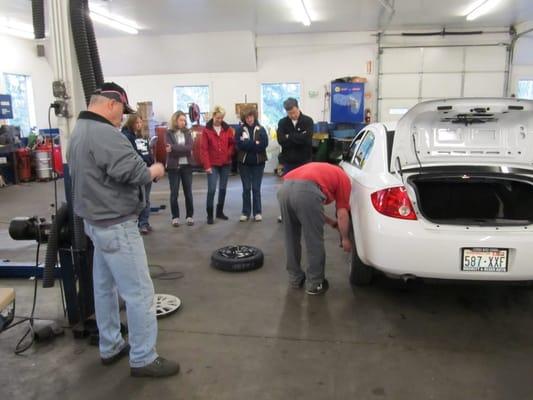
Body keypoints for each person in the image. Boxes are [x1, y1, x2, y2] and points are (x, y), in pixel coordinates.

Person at [67, 82, 179, 378]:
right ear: (110, 105)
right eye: (122, 112)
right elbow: (134, 172)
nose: (122, 118)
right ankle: (143, 357)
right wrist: (155, 170)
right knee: (140, 292)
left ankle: (111, 345)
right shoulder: (105, 134)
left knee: (104, 288)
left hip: (95, 223)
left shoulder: (78, 130)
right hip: (116, 223)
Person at [277, 162, 352, 295]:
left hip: (284, 189)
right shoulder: (344, 178)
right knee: (313, 240)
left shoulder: (322, 169)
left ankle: (295, 279)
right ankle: (315, 283)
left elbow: (309, 209)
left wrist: (331, 223)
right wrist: (345, 239)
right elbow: (342, 212)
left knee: (291, 237)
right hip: (306, 191)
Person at [276, 97, 314, 223]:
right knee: (288, 189)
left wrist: (289, 137)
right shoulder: (282, 123)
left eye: (294, 112)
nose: (292, 115)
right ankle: (286, 213)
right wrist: (298, 137)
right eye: (289, 113)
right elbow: (281, 141)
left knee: (305, 188)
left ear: (298, 108)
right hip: (289, 162)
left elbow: (307, 140)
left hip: (304, 161)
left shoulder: (308, 121)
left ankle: (304, 214)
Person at [200, 105, 235, 224]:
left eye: (221, 118)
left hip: (225, 163)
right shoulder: (206, 131)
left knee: (223, 188)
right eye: (218, 118)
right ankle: (210, 215)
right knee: (211, 189)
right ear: (213, 116)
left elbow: (232, 144)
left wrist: (229, 153)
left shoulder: (228, 129)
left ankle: (219, 212)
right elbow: (203, 149)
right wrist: (207, 166)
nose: (219, 120)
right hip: (212, 164)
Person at [122, 114, 154, 235]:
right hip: (136, 171)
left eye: (141, 123)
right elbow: (133, 154)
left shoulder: (141, 136)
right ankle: (134, 224)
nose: (139, 125)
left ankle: (144, 223)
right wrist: (144, 163)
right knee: (137, 199)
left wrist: (151, 164)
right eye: (137, 123)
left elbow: (148, 151)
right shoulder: (126, 137)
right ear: (131, 123)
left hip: (147, 170)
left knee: (146, 199)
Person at [235, 107, 268, 222]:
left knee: (256, 188)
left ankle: (257, 212)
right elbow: (239, 145)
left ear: (254, 116)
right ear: (244, 118)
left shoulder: (261, 129)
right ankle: (245, 212)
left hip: (259, 164)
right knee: (246, 188)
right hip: (244, 164)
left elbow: (264, 144)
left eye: (251, 116)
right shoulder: (239, 130)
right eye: (247, 117)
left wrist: (248, 144)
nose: (249, 119)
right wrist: (255, 143)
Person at [166, 111, 194, 227]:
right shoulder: (168, 133)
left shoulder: (188, 132)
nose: (184, 122)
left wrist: (174, 148)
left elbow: (190, 148)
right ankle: (175, 217)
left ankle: (189, 216)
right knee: (174, 193)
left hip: (187, 166)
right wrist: (183, 149)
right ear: (175, 120)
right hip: (174, 167)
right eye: (181, 120)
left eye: (184, 120)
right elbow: (169, 148)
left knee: (188, 192)